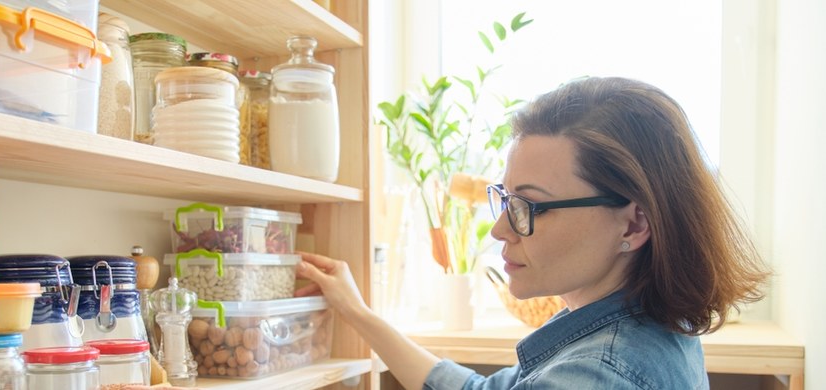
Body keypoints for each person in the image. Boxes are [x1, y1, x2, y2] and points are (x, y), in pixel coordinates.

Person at [294, 77, 770, 389]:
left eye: (530, 207)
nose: (501, 229)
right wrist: (357, 312)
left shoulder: (596, 374)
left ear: (633, 223)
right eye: (505, 199)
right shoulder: (631, 325)